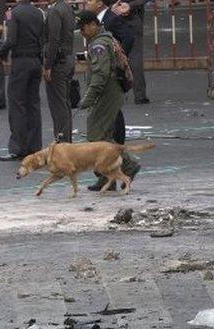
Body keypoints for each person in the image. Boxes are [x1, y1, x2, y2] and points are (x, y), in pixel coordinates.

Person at [76, 10, 141, 192]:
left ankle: (125, 168)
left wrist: (88, 98)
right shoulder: (104, 39)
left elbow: (101, 75)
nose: (81, 33)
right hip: (109, 92)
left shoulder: (99, 45)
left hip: (107, 92)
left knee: (97, 136)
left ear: (92, 25)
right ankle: (108, 177)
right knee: (104, 136)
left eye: (83, 29)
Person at [87, 0, 134, 185]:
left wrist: (119, 58)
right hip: (106, 82)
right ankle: (110, 174)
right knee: (107, 124)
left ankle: (121, 167)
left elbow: (129, 38)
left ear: (99, 3)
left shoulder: (111, 19)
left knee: (100, 128)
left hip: (108, 82)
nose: (85, 2)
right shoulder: (99, 23)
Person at [0, 0, 44, 162]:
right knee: (33, 104)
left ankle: (18, 147)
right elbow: (43, 38)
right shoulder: (38, 13)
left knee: (17, 104)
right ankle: (34, 146)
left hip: (21, 61)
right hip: (36, 60)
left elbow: (12, 39)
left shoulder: (14, 13)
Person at [43, 0, 76, 143]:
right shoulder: (67, 8)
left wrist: (48, 65)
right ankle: (66, 140)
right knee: (65, 103)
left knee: (58, 106)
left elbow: (54, 39)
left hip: (58, 62)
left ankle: (62, 141)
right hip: (68, 58)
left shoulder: (55, 11)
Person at [111, 0, 150, 104]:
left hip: (113, 18)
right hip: (132, 18)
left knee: (112, 56)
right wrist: (129, 6)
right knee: (135, 58)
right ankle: (140, 96)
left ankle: (112, 94)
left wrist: (114, 8)